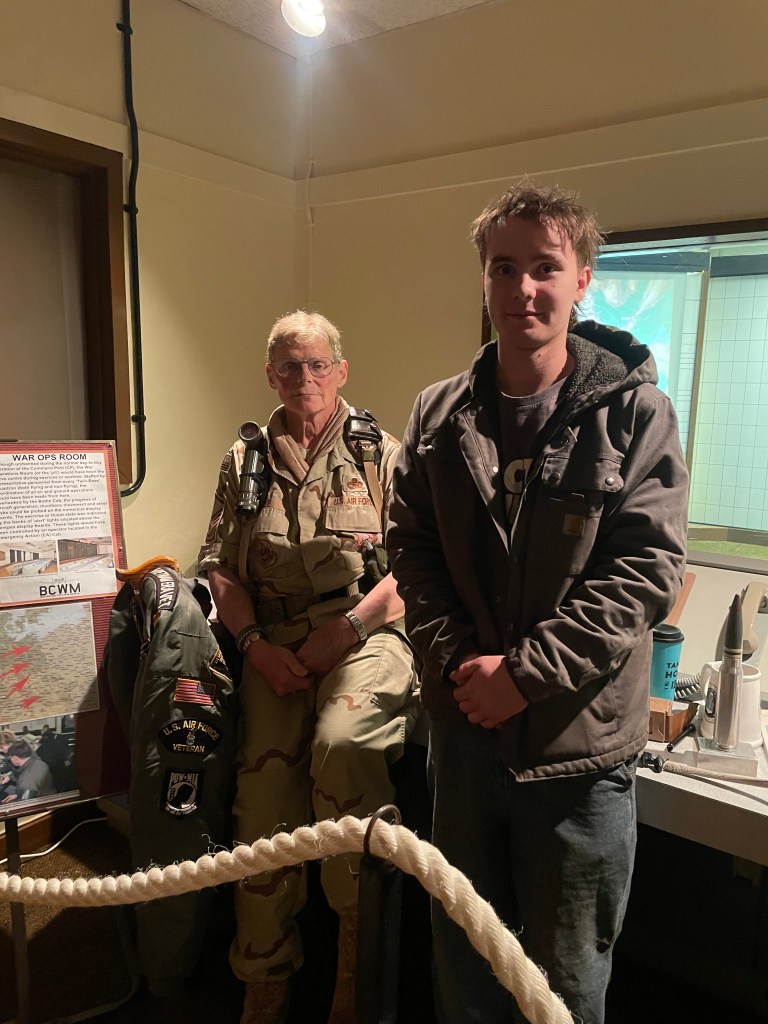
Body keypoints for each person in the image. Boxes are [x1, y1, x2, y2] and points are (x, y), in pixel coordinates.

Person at [386, 182, 689, 1024]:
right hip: (465, 742)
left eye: (545, 267)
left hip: (577, 758)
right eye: (503, 267)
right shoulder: (438, 414)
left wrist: (525, 676)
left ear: (583, 278)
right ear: (483, 278)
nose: (523, 288)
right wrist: (460, 663)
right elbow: (410, 549)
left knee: (566, 980)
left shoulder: (637, 414)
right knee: (465, 960)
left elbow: (644, 572)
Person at [198, 310, 420, 1024]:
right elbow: (220, 570)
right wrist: (254, 645)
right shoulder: (245, 461)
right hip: (274, 644)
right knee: (262, 803)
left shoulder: (380, 454)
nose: (305, 378)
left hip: (368, 630)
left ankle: (355, 969)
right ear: (271, 375)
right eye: (290, 366)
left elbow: (415, 571)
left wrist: (347, 630)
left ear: (341, 371)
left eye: (318, 364)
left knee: (341, 747)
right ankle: (264, 980)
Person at [2, 738, 55, 803]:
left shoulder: (25, 781)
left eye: (10, 758)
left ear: (16, 759)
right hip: (47, 795)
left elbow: (25, 806)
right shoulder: (40, 763)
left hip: (41, 803)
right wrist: (20, 794)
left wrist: (22, 795)